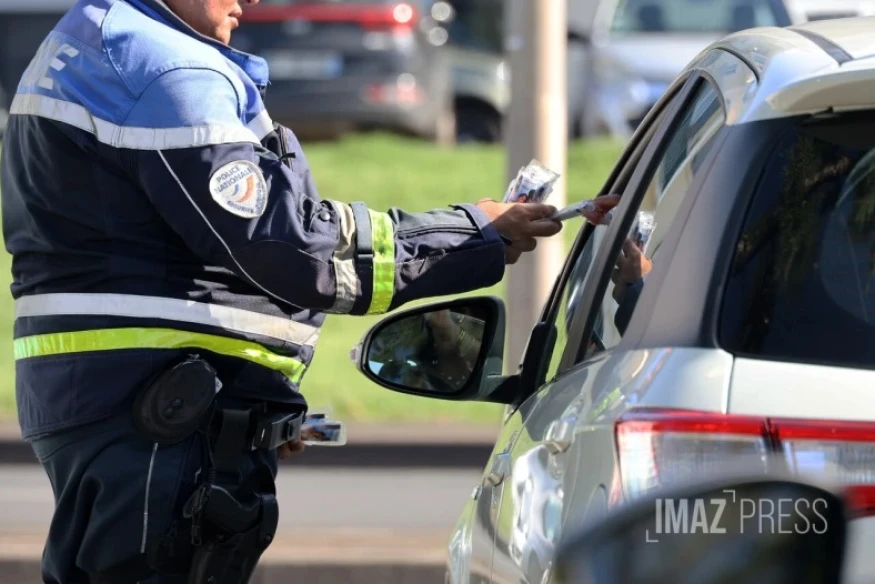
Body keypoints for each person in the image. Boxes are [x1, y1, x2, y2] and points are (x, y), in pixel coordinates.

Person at [0, 0, 563, 581]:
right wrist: (470, 233)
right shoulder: (163, 67)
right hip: (157, 419)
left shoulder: (89, 42)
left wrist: (256, 403)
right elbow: (289, 248)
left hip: (135, 409)